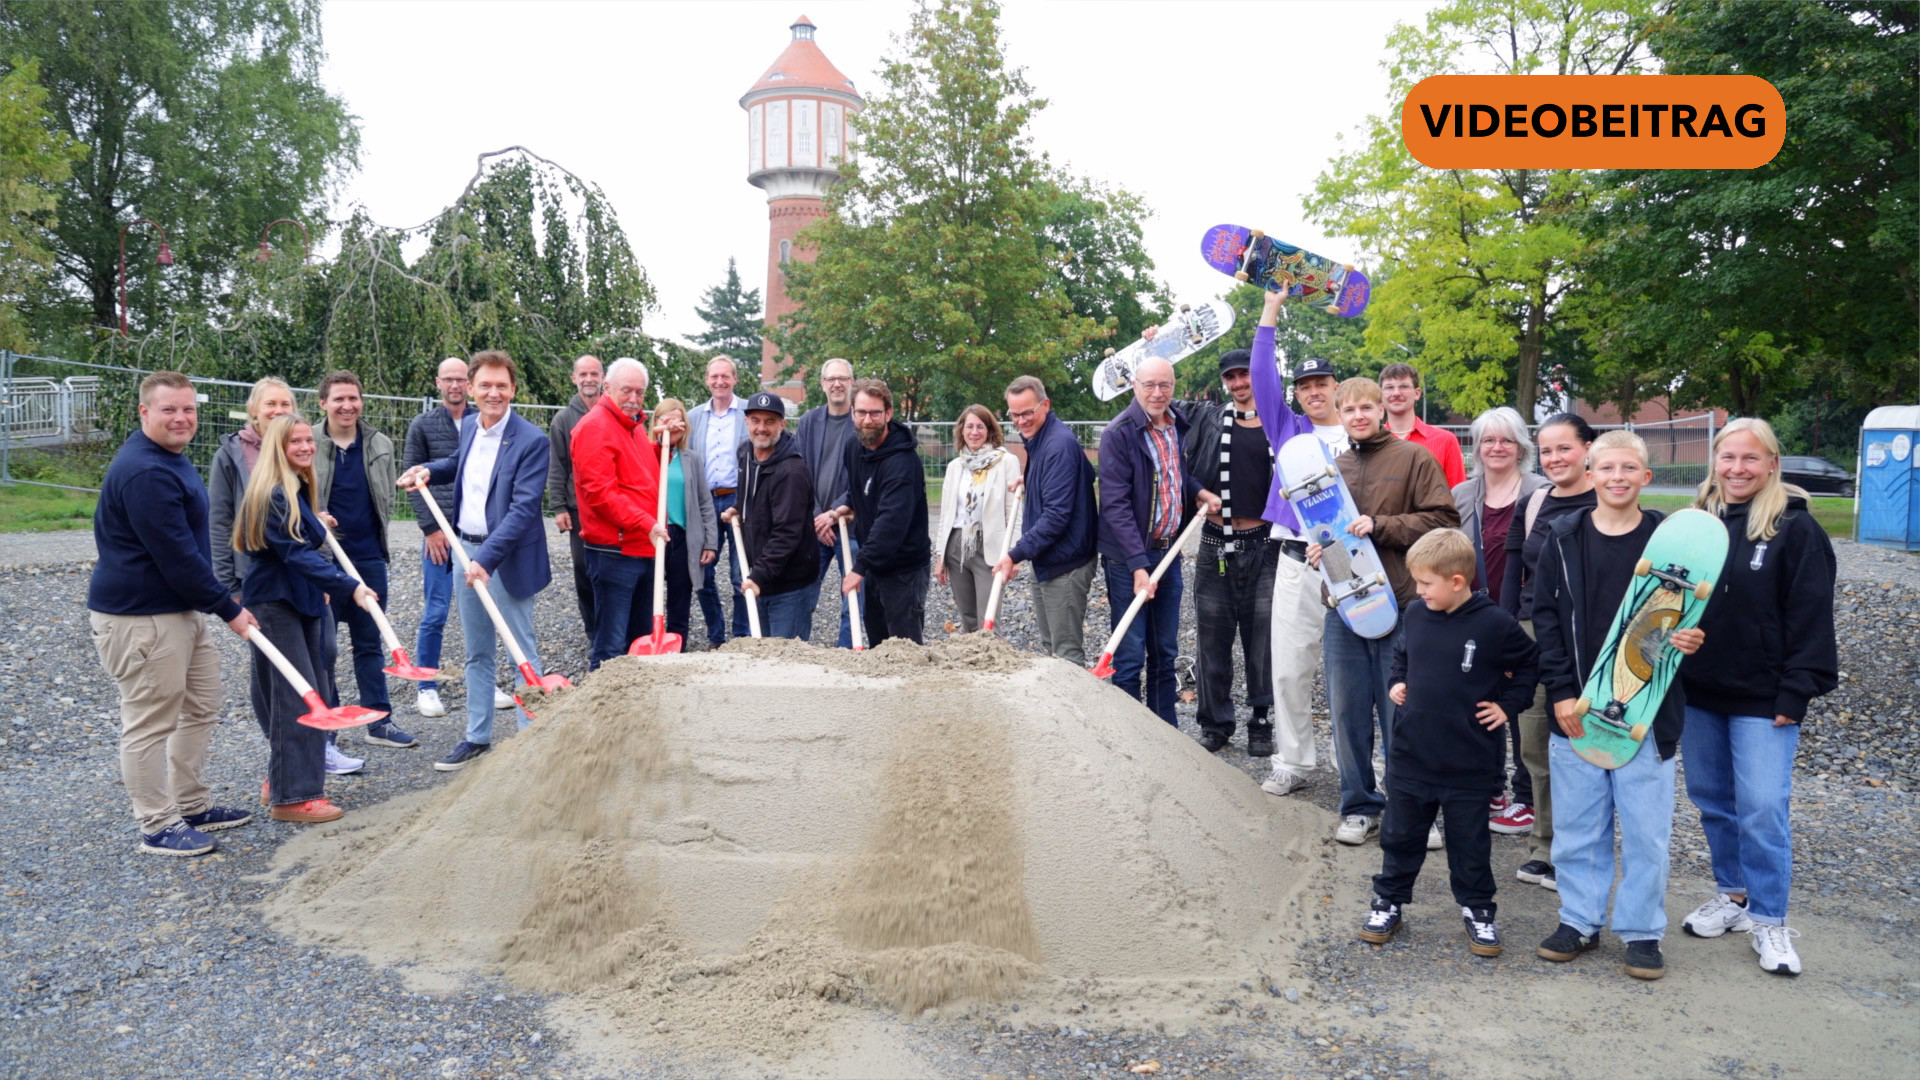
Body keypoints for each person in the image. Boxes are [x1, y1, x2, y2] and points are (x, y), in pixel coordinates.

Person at [1530, 430, 1704, 981]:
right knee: (1579, 827)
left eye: (1629, 468)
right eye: (1606, 468)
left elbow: (1695, 618)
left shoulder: (1669, 543)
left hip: (1647, 714)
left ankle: (1642, 930)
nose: (1617, 478)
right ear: (1590, 473)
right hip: (1577, 708)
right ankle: (1578, 920)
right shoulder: (1563, 537)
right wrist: (1561, 692)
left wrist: (1693, 640)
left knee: (1647, 831)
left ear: (1646, 477)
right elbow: (1546, 621)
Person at [1678, 418, 1837, 977]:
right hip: (1700, 691)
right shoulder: (1697, 523)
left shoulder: (1795, 529)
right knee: (1713, 801)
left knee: (1763, 808)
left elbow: (1811, 617)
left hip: (1765, 697)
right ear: (1715, 462)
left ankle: (1770, 919)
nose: (1738, 468)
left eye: (1750, 458)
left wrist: (1797, 690)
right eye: (1728, 457)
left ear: (1772, 464)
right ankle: (1734, 895)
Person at [88, 371, 258, 856]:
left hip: (178, 609)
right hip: (141, 619)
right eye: (169, 409)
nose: (181, 418)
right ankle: (157, 824)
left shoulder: (167, 457)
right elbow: (177, 556)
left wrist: (211, 604)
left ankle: (190, 804)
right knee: (149, 720)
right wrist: (229, 608)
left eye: (188, 409)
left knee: (201, 704)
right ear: (145, 412)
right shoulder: (146, 472)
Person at [1361, 528, 1537, 956]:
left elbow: (1531, 664)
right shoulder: (1417, 613)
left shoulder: (1496, 624)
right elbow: (1402, 655)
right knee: (1400, 836)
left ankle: (1478, 910)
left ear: (1457, 581)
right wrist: (1397, 681)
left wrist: (1507, 706)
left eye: (1426, 583)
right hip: (1411, 756)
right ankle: (1388, 901)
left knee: (1469, 843)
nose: (1419, 591)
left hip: (1469, 763)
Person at [1309, 376, 1459, 845]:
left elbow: (1444, 520)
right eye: (1348, 409)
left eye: (1366, 408)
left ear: (1381, 411)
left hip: (1400, 603)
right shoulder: (1331, 470)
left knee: (1403, 713)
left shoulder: (1413, 457)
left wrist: (1382, 525)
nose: (1358, 416)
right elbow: (1332, 535)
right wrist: (1322, 554)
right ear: (1339, 416)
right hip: (1344, 608)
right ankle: (1359, 807)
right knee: (1347, 712)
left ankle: (1413, 809)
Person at [397, 350, 555, 773]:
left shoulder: (531, 440)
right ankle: (477, 737)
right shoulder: (469, 425)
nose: (493, 393)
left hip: (504, 558)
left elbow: (523, 510)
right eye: (485, 385)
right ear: (471, 388)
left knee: (521, 651)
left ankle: (529, 744)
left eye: (502, 385)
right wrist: (428, 471)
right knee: (476, 651)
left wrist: (485, 559)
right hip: (464, 549)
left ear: (513, 390)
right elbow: (458, 464)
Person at [233, 413, 381, 825]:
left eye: (307, 440)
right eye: (294, 442)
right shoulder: (273, 494)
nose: (305, 447)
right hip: (275, 602)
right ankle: (293, 797)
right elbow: (296, 554)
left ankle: (281, 780)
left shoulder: (296, 488)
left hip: (302, 599)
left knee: (310, 689)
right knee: (295, 697)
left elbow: (302, 545)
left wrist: (318, 527)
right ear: (277, 448)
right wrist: (350, 585)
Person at [1243, 289, 1348, 796]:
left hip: (1349, 559)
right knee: (1288, 666)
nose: (1313, 392)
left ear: (1336, 388)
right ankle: (1293, 759)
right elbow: (1262, 376)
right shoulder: (1288, 429)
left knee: (1355, 672)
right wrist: (1271, 310)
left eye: (1321, 384)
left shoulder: (1359, 433)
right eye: (1304, 386)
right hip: (1295, 559)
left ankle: (1359, 768)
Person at [1096, 356, 1221, 725]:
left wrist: (1198, 491)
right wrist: (1138, 565)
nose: (1157, 392)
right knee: (1130, 653)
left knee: (1164, 651)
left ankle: (1165, 731)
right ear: (1135, 386)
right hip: (1128, 560)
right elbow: (1115, 504)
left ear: (1173, 386)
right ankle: (1133, 735)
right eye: (1149, 384)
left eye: (1164, 384)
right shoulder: (1119, 433)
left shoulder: (1176, 426)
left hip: (1168, 554)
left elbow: (1174, 476)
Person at [1503, 412, 1598, 892]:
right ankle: (1545, 846)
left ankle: (1583, 848)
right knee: (1535, 744)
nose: (1555, 458)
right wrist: (1505, 639)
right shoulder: (1534, 503)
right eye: (1547, 450)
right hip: (1533, 634)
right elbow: (1512, 575)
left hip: (1592, 637)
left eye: (1565, 448)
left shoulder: (1607, 498)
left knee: (1587, 743)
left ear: (1587, 449)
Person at [1452, 406, 1549, 837]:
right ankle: (1490, 788)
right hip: (1475, 616)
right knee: (1479, 702)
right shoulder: (1461, 494)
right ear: (1477, 447)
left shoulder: (1540, 492)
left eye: (1506, 440)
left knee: (1522, 705)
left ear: (1521, 447)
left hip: (1523, 617)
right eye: (1488, 440)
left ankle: (1526, 797)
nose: (1497, 447)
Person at [1182, 341, 1278, 755]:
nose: (1239, 383)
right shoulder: (1208, 418)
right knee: (1212, 638)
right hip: (1214, 542)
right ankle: (1215, 722)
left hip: (1263, 544)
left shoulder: (1279, 421)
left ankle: (1261, 720)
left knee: (1263, 639)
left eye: (1245, 374)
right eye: (1231, 377)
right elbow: (1158, 406)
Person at [312, 370, 415, 752]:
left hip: (369, 558)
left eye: (353, 398)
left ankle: (379, 720)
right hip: (323, 561)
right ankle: (329, 728)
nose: (347, 405)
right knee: (324, 648)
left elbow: (386, 499)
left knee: (369, 642)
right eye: (338, 398)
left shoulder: (380, 444)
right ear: (323, 403)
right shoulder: (308, 443)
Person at [569, 357, 666, 669]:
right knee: (611, 643)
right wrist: (645, 522)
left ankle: (633, 697)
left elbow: (638, 473)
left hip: (642, 545)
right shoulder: (595, 428)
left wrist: (661, 448)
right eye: (627, 390)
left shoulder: (632, 427)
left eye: (640, 392)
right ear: (607, 387)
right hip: (615, 551)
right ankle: (601, 697)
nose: (634, 399)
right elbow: (600, 494)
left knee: (638, 638)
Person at [994, 375, 1097, 663]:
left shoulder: (1057, 444)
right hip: (1049, 559)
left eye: (1027, 412)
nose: (1021, 421)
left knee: (1065, 654)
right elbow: (1085, 474)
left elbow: (1056, 515)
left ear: (1045, 405)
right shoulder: (1040, 438)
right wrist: (1032, 481)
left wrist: (1014, 555)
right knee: (1051, 646)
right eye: (1014, 415)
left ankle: (1074, 694)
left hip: (1066, 562)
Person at [837, 378, 931, 644]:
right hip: (875, 565)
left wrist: (859, 568)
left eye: (875, 413)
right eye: (861, 412)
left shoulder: (903, 464)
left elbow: (891, 523)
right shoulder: (853, 447)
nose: (867, 420)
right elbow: (861, 486)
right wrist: (849, 503)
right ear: (852, 412)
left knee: (904, 647)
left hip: (904, 569)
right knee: (878, 643)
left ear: (888, 413)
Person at [402, 357, 470, 721]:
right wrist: (430, 528)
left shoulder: (482, 422)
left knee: (481, 610)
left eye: (461, 379)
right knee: (436, 611)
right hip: (440, 535)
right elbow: (411, 477)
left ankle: (484, 682)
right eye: (449, 379)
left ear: (469, 383)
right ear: (438, 383)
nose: (455, 385)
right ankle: (426, 685)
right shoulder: (423, 425)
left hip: (475, 532)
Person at [726, 391, 821, 639]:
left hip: (789, 584)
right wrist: (739, 506)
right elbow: (752, 492)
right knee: (764, 652)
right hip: (762, 576)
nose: (761, 428)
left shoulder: (791, 471)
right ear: (746, 422)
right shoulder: (745, 453)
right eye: (755, 420)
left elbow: (787, 533)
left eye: (770, 421)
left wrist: (758, 576)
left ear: (782, 424)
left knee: (786, 655)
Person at [936, 404, 1022, 633]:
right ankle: (970, 657)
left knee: (988, 621)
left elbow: (1014, 512)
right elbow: (946, 514)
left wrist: (1015, 554)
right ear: (961, 430)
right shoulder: (955, 466)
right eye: (969, 426)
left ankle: (994, 657)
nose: (974, 432)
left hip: (989, 548)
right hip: (956, 547)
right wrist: (940, 555)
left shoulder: (1006, 462)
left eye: (980, 427)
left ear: (990, 430)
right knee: (968, 619)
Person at [795, 358, 862, 645]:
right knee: (803, 593)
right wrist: (818, 516)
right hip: (814, 527)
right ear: (822, 384)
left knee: (853, 597)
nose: (837, 384)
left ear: (851, 382)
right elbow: (798, 471)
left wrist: (834, 512)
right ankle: (796, 649)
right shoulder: (809, 422)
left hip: (851, 526)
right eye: (831, 379)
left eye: (843, 379)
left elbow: (864, 476)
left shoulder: (861, 422)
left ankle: (847, 651)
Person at [688, 355, 751, 645]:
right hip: (705, 502)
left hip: (739, 499)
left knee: (741, 573)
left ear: (735, 379)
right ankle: (716, 634)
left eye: (725, 376)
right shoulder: (694, 417)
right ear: (707, 380)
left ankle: (741, 635)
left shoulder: (748, 413)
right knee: (702, 572)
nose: (720, 381)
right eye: (714, 376)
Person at [546, 354, 607, 643]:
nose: (589, 379)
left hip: (612, 506)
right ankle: (594, 631)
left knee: (613, 569)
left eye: (594, 374)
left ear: (603, 378)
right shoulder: (563, 419)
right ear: (574, 378)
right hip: (579, 508)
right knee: (584, 569)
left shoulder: (614, 412)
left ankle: (615, 628)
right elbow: (557, 466)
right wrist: (559, 506)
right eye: (583, 374)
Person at [650, 398, 718, 642]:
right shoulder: (646, 454)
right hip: (651, 534)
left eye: (678, 421)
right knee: (648, 595)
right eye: (666, 420)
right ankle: (648, 643)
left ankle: (677, 647)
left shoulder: (691, 459)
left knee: (680, 598)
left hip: (680, 536)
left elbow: (705, 502)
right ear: (656, 423)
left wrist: (710, 542)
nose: (672, 426)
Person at [1381, 362, 1467, 488]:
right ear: (1381, 394)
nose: (1396, 393)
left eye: (1403, 386)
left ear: (1417, 393)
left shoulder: (1446, 440)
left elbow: (1457, 493)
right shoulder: (1372, 442)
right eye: (1389, 387)